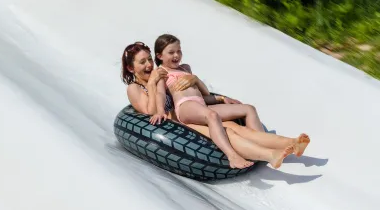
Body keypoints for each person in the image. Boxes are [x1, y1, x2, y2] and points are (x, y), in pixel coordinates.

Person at [122, 41, 310, 169]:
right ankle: (269, 155)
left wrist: (218, 98)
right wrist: (153, 83)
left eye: (149, 60)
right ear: (131, 68)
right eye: (142, 62)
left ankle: (291, 143)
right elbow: (151, 113)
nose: (149, 65)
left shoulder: (163, 76)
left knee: (237, 128)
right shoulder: (134, 88)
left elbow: (188, 97)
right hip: (178, 125)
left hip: (191, 112)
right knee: (229, 134)